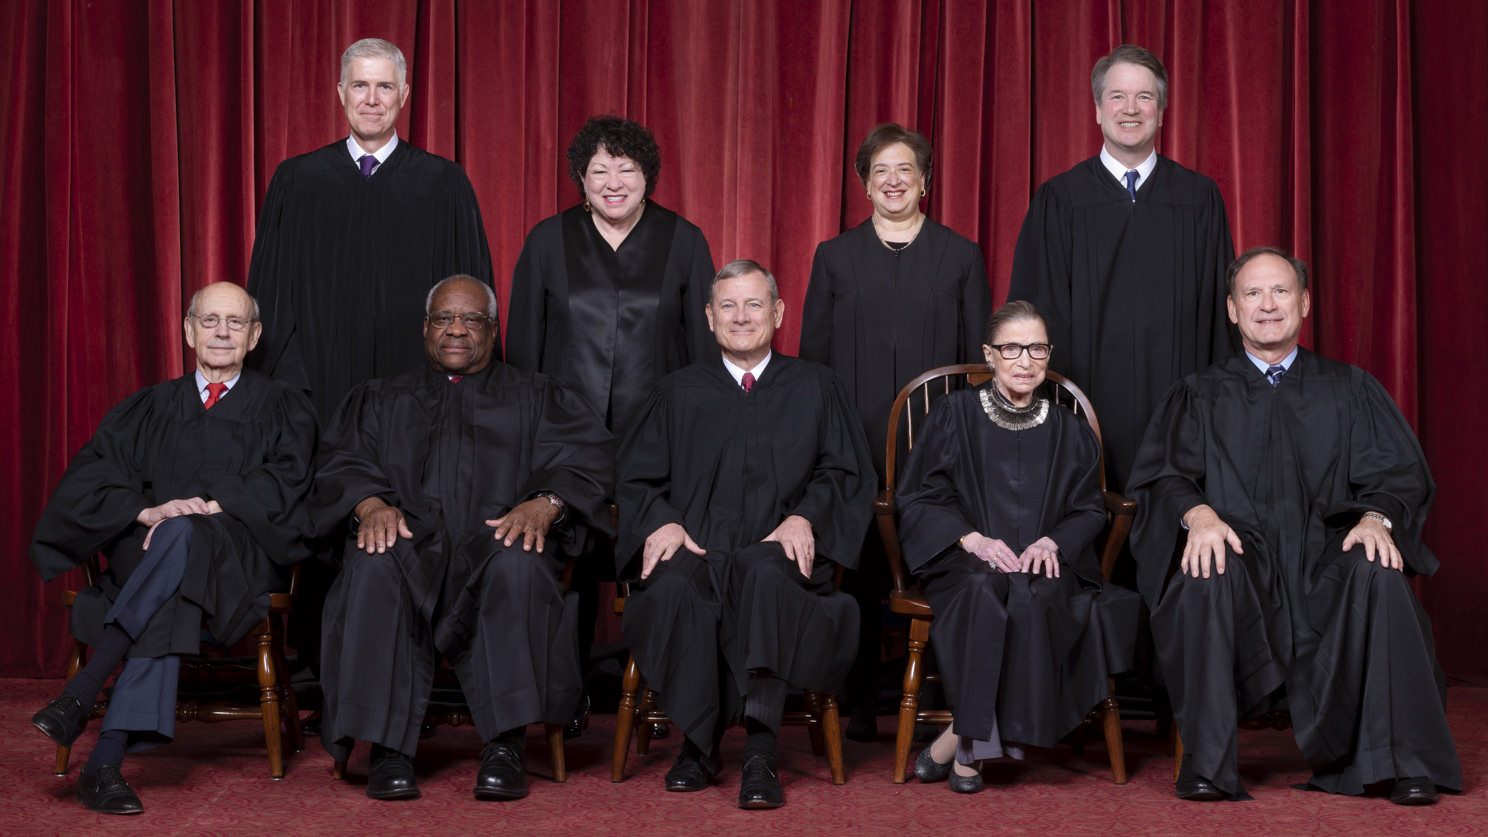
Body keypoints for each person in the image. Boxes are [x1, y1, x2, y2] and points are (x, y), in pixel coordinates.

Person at [1128, 247, 1461, 804]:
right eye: (1252, 294)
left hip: (1326, 560)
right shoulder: (1199, 394)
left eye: (1280, 291)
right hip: (1242, 560)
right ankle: (1207, 764)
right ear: (1232, 310)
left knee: (1377, 571)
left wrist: (1378, 518)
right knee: (1205, 569)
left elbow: (1399, 474)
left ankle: (1405, 762)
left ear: (1304, 303)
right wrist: (1199, 514)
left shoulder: (1350, 389)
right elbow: (1163, 476)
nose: (1267, 305)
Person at [312, 275, 613, 802]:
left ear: (493, 330)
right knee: (374, 560)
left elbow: (588, 462)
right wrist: (370, 505)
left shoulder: (538, 396)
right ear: (425, 328)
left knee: (520, 562)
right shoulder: (381, 399)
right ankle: (388, 749)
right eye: (444, 319)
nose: (456, 330)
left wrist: (547, 504)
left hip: (495, 544)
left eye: (471, 319)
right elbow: (341, 464)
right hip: (409, 547)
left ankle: (505, 744)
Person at [29, 282, 317, 814]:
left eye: (235, 322)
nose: (222, 332)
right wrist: (147, 512)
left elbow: (290, 485)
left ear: (254, 336)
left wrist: (207, 508)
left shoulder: (283, 406)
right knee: (174, 559)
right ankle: (103, 766)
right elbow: (89, 481)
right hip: (149, 552)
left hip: (239, 557)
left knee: (184, 538)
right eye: (209, 321)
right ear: (188, 331)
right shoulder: (148, 406)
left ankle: (86, 692)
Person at [617, 260, 875, 809]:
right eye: (728, 306)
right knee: (674, 586)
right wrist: (661, 520)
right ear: (709, 318)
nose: (741, 317)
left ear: (778, 313)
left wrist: (806, 516)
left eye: (754, 304)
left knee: (762, 575)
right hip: (699, 547)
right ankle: (698, 743)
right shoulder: (677, 392)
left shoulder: (816, 386)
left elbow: (846, 473)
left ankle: (760, 750)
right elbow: (636, 476)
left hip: (778, 554)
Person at [505, 116, 716, 734]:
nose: (613, 182)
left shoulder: (685, 240)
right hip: (566, 439)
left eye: (626, 169)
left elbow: (705, 355)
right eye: (599, 170)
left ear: (648, 175)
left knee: (663, 559)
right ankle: (560, 700)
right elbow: (523, 350)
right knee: (559, 558)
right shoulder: (548, 241)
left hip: (660, 441)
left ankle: (665, 694)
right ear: (581, 179)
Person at [895, 301, 1138, 793]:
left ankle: (956, 741)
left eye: (1037, 348)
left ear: (1049, 354)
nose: (1025, 360)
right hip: (966, 557)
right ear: (990, 353)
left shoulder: (1069, 429)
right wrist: (974, 540)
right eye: (1012, 347)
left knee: (1040, 597)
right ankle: (972, 751)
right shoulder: (953, 415)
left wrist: (1055, 540)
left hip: (1043, 561)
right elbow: (918, 494)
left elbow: (1090, 509)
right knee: (984, 592)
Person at [800, 122, 991, 739]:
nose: (893, 180)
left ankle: (951, 701)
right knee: (854, 571)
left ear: (925, 182)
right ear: (864, 183)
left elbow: (977, 367)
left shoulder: (960, 255)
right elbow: (814, 361)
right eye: (880, 170)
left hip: (936, 449)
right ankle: (856, 702)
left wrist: (960, 448)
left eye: (905, 169)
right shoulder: (834, 257)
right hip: (853, 444)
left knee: (940, 563)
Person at [1008, 44, 1234, 494]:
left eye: (1144, 97)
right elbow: (1033, 316)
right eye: (1117, 97)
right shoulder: (1060, 200)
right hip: (1084, 409)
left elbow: (1218, 317)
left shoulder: (1198, 198)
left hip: (1178, 409)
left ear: (1162, 110)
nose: (1130, 109)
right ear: (1097, 109)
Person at [247, 38, 496, 421]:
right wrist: (290, 386)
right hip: (316, 391)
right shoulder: (296, 181)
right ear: (342, 93)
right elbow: (272, 298)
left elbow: (471, 296)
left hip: (420, 396)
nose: (372, 99)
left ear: (405, 94)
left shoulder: (444, 182)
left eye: (385, 86)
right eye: (360, 85)